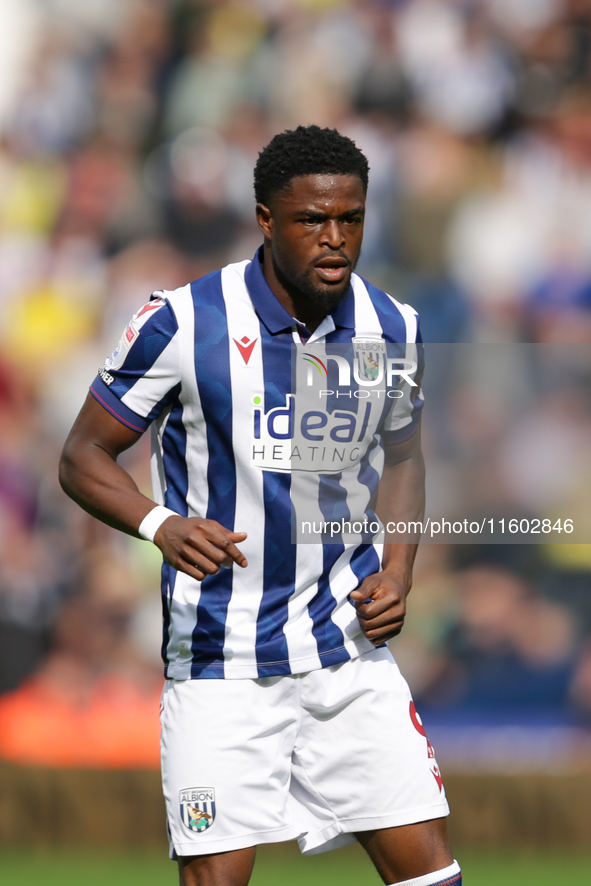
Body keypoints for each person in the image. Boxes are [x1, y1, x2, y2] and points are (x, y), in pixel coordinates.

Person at [59, 125, 460, 886]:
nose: (334, 238)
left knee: (429, 874)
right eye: (312, 220)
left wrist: (399, 571)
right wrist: (160, 524)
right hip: (220, 662)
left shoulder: (391, 327)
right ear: (266, 220)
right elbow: (82, 455)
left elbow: (403, 456)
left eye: (351, 218)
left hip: (347, 656)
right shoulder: (181, 323)